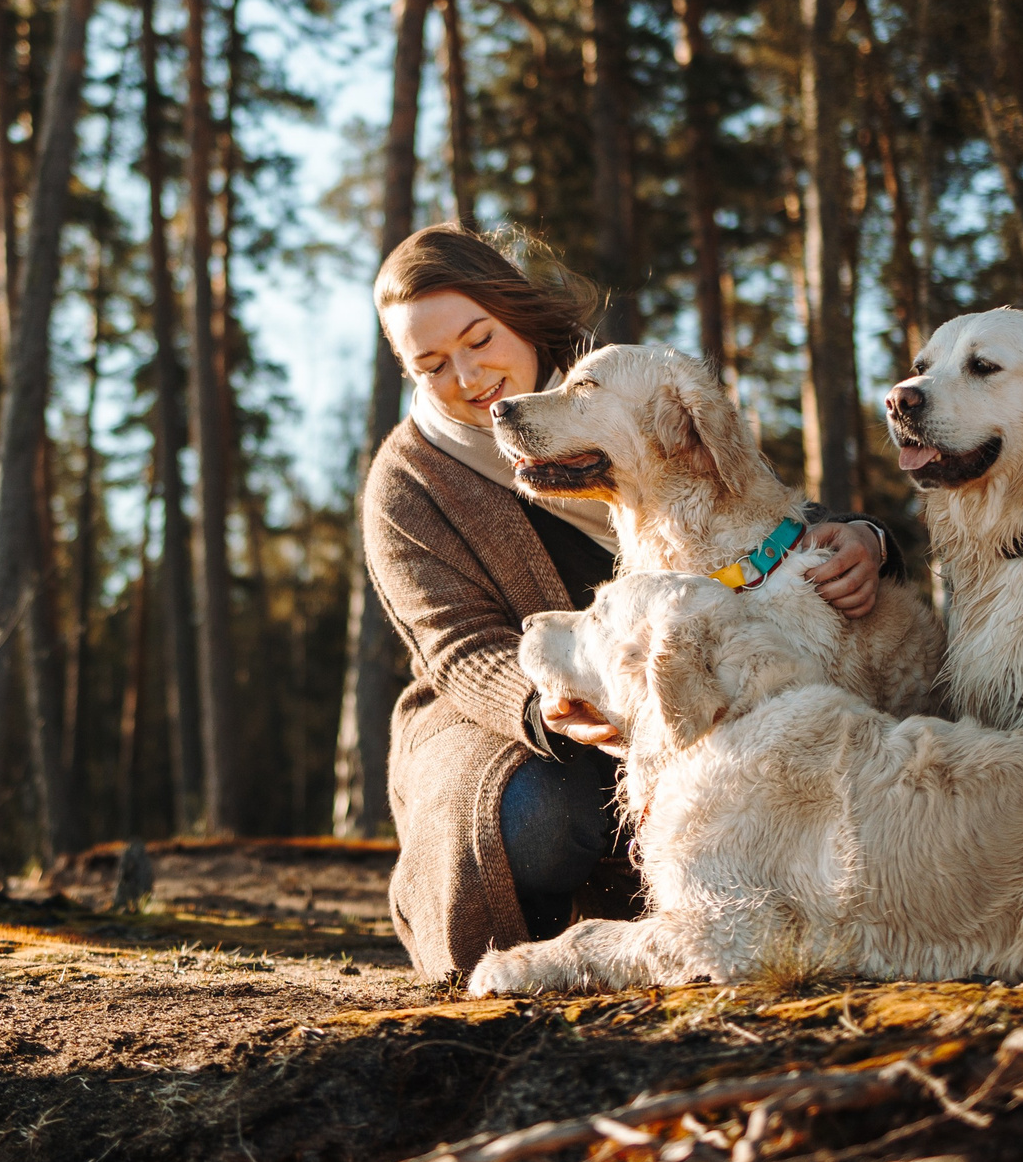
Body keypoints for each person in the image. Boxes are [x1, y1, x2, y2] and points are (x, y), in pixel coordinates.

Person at [361, 223, 902, 981]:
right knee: (548, 810)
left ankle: (754, 896)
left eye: (479, 336)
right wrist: (545, 703)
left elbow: (744, 511)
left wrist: (866, 537)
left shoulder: (621, 385)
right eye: (431, 365)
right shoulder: (407, 480)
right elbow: (455, 646)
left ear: (513, 310)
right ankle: (555, 938)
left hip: (676, 681)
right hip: (502, 711)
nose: (468, 374)